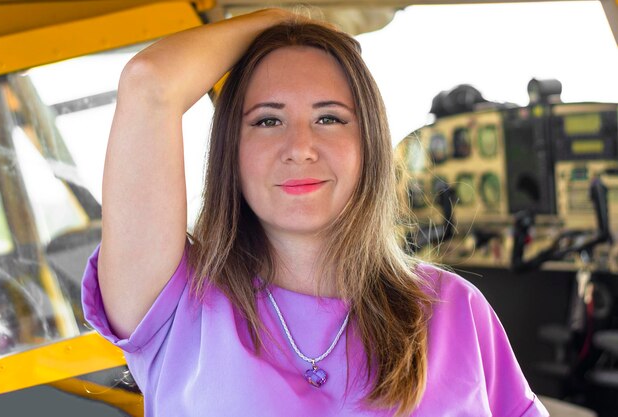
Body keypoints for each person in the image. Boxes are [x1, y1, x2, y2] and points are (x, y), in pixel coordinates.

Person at [82, 8, 549, 417]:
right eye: (268, 120)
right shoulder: (176, 302)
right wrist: (283, 21)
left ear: (368, 144)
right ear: (231, 150)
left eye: (329, 118)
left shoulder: (453, 307)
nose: (300, 148)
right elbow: (149, 82)